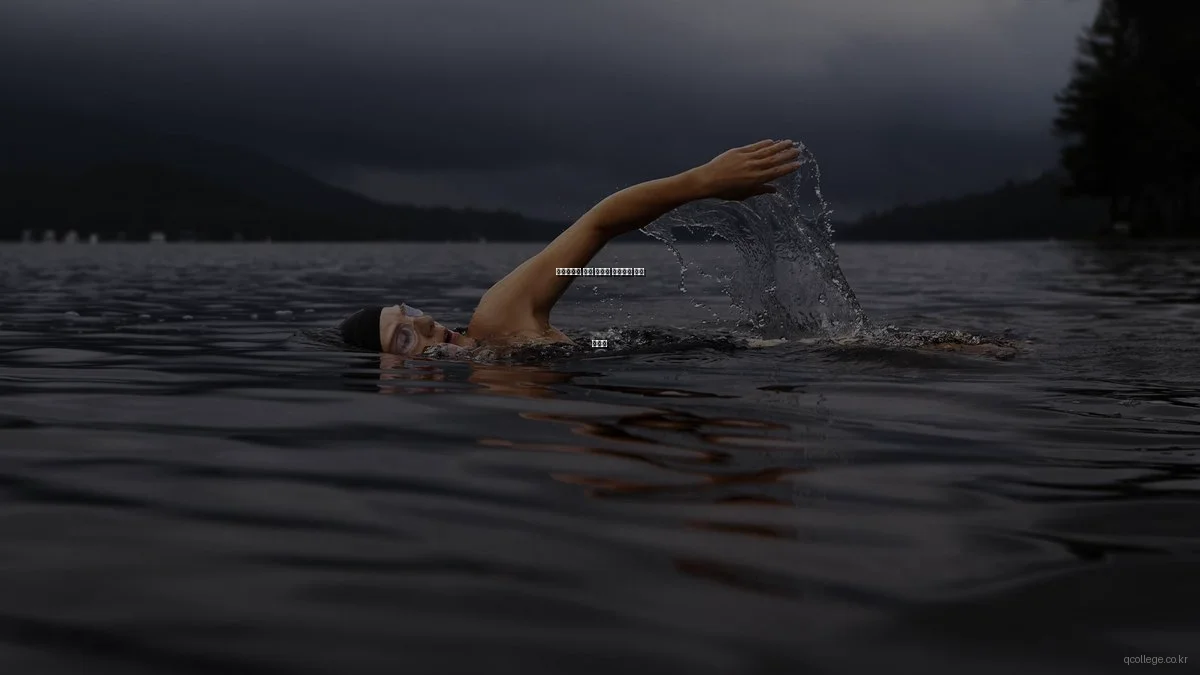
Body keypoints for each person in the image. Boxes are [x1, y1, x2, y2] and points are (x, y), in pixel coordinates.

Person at [338, 139, 804, 355]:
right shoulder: (492, 398)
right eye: (404, 337)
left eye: (410, 311)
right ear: (390, 381)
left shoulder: (498, 320)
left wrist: (702, 181)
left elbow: (598, 224)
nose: (424, 321)